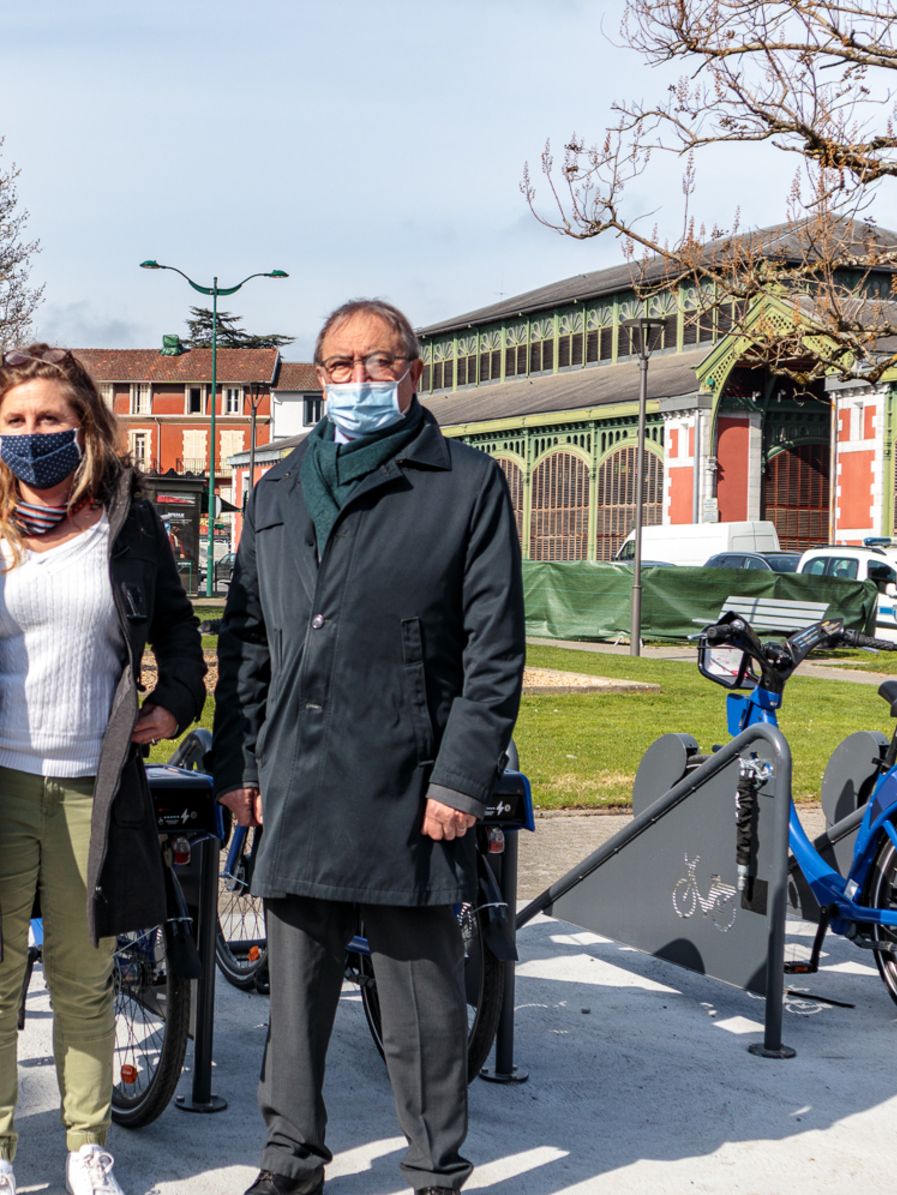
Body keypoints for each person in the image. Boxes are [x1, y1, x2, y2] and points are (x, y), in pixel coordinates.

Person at [211, 299, 525, 1195]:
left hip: (408, 782)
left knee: (423, 999)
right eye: (340, 366)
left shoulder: (466, 485)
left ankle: (435, 1167)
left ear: (412, 372)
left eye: (377, 362)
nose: (358, 380)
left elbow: (495, 650)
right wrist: (239, 762)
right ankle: (290, 1159)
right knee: (294, 994)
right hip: (295, 778)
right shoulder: (278, 489)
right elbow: (247, 640)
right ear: (320, 379)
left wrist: (460, 779)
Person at [0, 344, 205, 1195]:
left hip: (94, 791)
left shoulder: (129, 524)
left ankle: (87, 1147)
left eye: (50, 418)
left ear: (85, 425)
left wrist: (174, 703)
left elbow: (180, 634)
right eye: (16, 420)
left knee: (85, 978)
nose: (33, 434)